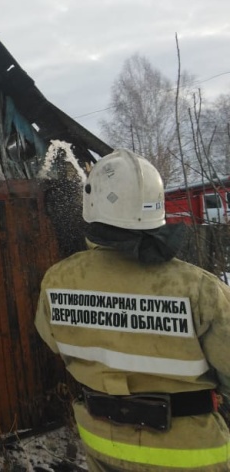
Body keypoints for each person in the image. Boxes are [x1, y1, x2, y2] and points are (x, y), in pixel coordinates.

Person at [35, 148, 230, 471]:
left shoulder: (58, 280)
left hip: (103, 444)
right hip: (190, 453)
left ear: (91, 203)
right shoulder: (199, 288)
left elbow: (54, 342)